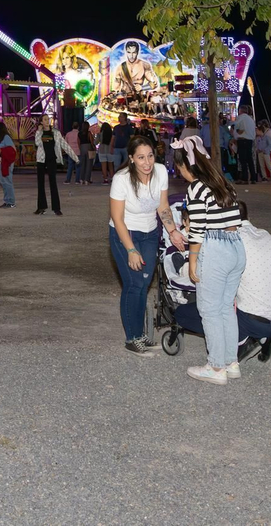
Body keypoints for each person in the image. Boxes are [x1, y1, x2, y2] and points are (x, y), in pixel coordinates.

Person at [170, 135, 245, 384]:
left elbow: (198, 229)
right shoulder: (223, 184)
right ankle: (231, 362)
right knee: (226, 308)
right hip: (236, 246)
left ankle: (215, 368)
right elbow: (234, 221)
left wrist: (192, 260)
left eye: (178, 166)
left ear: (184, 164)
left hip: (214, 249)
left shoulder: (196, 188)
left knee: (209, 310)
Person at [109, 135, 181, 354]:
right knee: (134, 284)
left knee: (144, 283)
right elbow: (117, 218)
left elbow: (163, 206)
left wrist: (173, 231)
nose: (147, 162)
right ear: (131, 158)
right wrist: (130, 249)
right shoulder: (121, 179)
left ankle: (140, 334)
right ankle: (132, 338)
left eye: (150, 156)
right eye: (141, 157)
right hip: (125, 233)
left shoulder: (160, 171)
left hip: (150, 233)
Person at [234, 201, 271, 361]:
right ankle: (267, 341)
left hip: (252, 321)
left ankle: (245, 343)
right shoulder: (267, 236)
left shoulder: (233, 240)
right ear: (248, 217)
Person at [33, 121, 66, 216]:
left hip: (51, 159)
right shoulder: (39, 133)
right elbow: (37, 143)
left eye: (48, 119)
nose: (47, 121)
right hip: (41, 160)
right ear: (41, 122)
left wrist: (75, 157)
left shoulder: (55, 132)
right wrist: (39, 131)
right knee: (40, 184)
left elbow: (63, 144)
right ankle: (41, 207)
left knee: (53, 183)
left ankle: (56, 208)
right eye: (44, 119)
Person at [0, 122, 18, 208]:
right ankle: (7, 200)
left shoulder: (6, 137)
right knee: (3, 182)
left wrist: (1, 150)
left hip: (5, 163)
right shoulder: (0, 138)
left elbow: (12, 150)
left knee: (7, 182)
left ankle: (11, 201)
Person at [232, 104, 257, 184]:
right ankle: (253, 178)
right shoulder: (251, 119)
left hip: (242, 140)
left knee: (243, 160)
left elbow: (239, 129)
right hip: (250, 140)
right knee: (250, 159)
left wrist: (236, 133)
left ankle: (245, 178)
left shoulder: (241, 118)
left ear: (240, 111)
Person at [75, 119, 95, 184]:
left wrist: (80, 148)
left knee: (82, 164)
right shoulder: (89, 133)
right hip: (89, 147)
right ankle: (87, 179)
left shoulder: (79, 133)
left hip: (82, 147)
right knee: (89, 164)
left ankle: (81, 179)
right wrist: (93, 147)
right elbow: (92, 141)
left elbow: (78, 142)